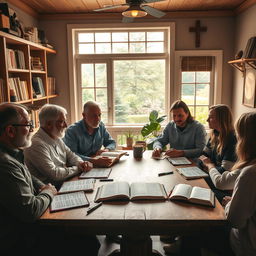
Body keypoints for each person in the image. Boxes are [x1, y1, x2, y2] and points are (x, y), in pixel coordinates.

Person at [0, 102, 100, 255]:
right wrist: (48, 192)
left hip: (37, 213)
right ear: (10, 131)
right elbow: (30, 210)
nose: (31, 129)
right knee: (88, 242)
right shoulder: (6, 163)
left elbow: (29, 176)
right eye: (28, 124)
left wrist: (42, 186)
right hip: (22, 237)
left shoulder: (13, 152)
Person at [24, 104, 92, 189]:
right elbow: (55, 174)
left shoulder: (56, 136)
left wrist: (81, 163)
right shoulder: (36, 144)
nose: (66, 125)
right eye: (62, 121)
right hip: (51, 191)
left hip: (65, 183)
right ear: (49, 124)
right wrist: (78, 168)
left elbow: (71, 155)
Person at [224, 111, 256, 256]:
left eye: (239, 135)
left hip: (247, 245)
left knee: (196, 232)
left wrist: (229, 204)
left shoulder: (250, 173)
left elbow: (235, 221)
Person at [198, 104, 238, 203]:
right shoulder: (214, 134)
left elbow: (224, 170)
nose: (207, 120)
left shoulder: (233, 139)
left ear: (222, 119)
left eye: (211, 117)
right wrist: (208, 165)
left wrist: (208, 165)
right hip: (213, 178)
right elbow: (202, 157)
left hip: (224, 186)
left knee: (198, 187)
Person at [63, 100, 116, 167]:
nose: (98, 119)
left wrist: (106, 150)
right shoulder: (72, 131)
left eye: (99, 115)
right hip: (80, 167)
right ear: (84, 115)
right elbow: (71, 156)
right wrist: (94, 161)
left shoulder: (101, 126)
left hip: (97, 165)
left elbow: (112, 142)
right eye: (93, 116)